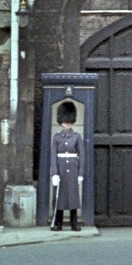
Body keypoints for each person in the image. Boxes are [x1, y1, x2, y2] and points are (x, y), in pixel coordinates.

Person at [50, 99, 83, 232]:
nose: (66, 124)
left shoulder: (76, 137)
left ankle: (74, 224)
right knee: (60, 198)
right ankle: (58, 223)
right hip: (60, 168)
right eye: (64, 122)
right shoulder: (57, 137)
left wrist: (80, 174)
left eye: (69, 122)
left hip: (73, 170)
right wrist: (54, 173)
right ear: (61, 122)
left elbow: (82, 155)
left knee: (73, 197)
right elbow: (53, 155)